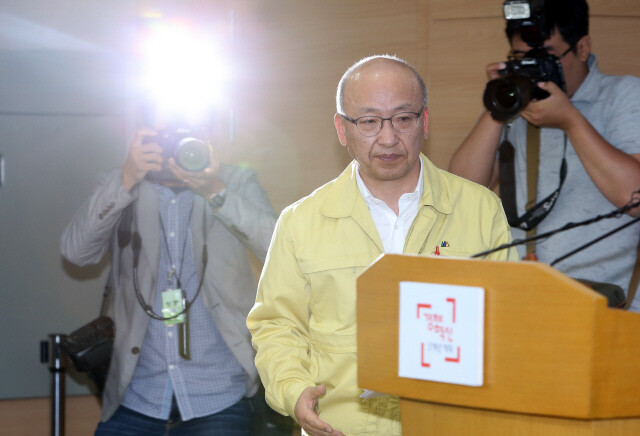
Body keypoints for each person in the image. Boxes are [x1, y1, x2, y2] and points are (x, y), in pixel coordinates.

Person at [246, 55, 517, 436]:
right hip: (340, 427)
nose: (388, 138)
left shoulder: (480, 209)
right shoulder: (301, 221)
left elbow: (509, 319)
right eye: (369, 122)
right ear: (342, 129)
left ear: (424, 121)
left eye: (403, 119)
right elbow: (277, 325)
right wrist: (293, 391)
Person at [61, 121, 277, 435]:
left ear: (207, 135)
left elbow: (278, 247)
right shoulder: (120, 182)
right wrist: (126, 180)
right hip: (135, 397)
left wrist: (215, 192)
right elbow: (76, 253)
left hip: (219, 397)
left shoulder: (235, 181)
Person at [448, 0, 640, 311]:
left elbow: (635, 197)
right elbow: (459, 192)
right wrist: (498, 105)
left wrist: (570, 120)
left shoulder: (623, 95)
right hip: (522, 302)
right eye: (522, 59)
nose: (534, 69)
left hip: (607, 308)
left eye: (546, 57)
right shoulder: (516, 107)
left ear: (582, 47)